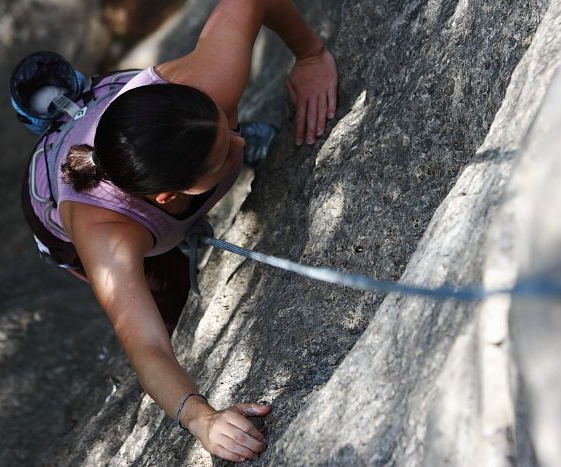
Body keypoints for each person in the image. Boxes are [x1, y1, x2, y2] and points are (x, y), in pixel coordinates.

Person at [19, 0, 338, 463]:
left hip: (137, 123)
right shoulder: (107, 235)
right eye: (226, 153)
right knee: (162, 302)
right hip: (58, 208)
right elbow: (147, 346)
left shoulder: (208, 81)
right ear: (170, 197)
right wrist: (201, 417)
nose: (241, 140)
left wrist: (311, 55)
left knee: (207, 134)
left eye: (228, 127)